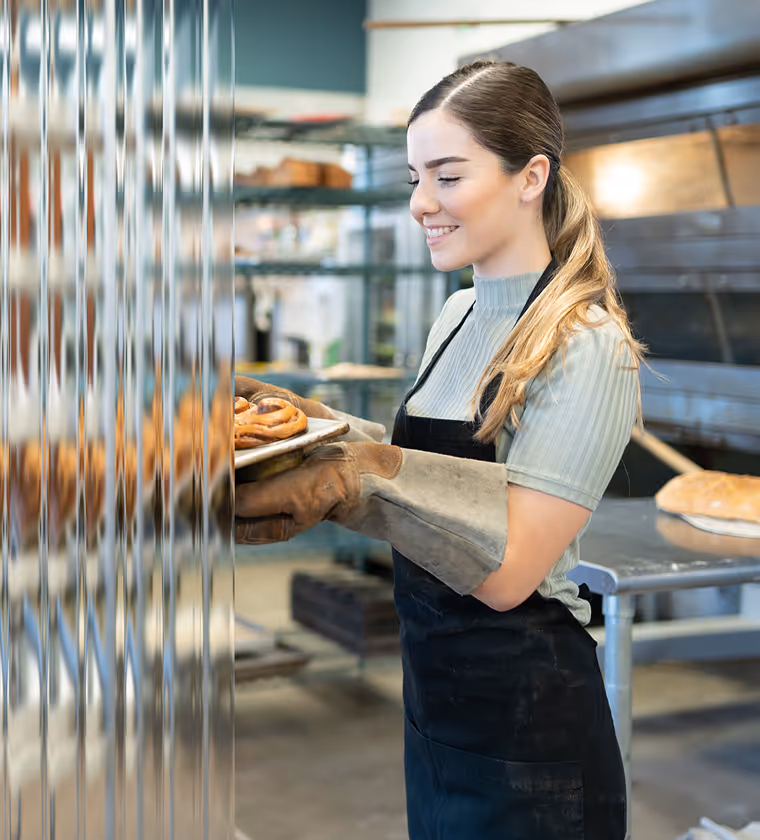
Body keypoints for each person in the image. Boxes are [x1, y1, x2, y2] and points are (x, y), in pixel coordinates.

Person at [235, 60, 644, 840]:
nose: (422, 203)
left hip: (532, 728)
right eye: (417, 176)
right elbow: (418, 463)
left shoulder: (587, 344)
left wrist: (356, 483)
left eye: (448, 177)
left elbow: (510, 571)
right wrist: (305, 430)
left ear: (531, 177)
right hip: (437, 706)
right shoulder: (457, 314)